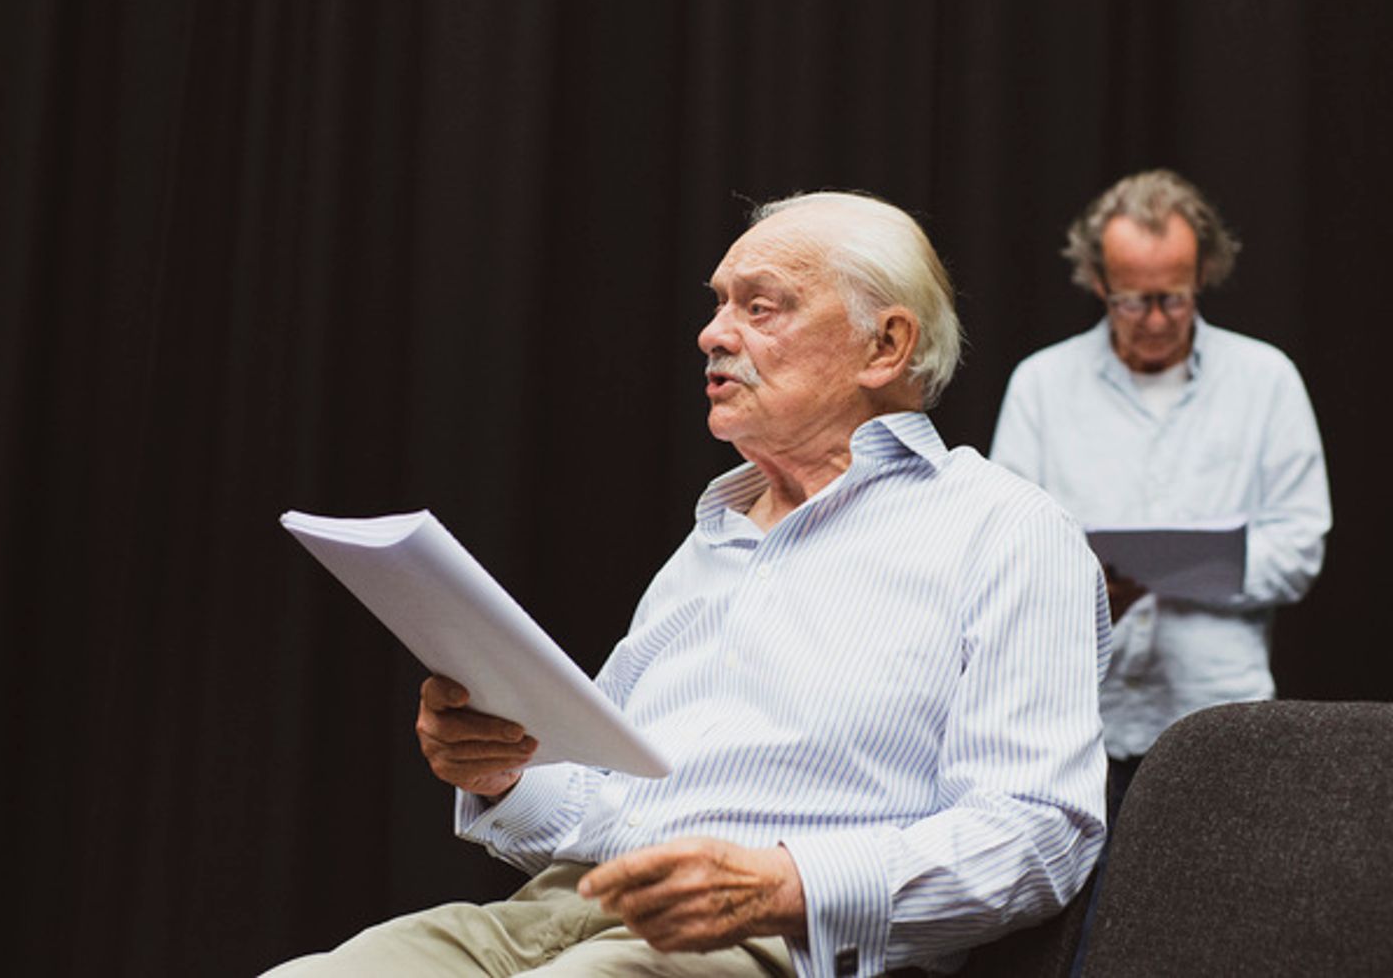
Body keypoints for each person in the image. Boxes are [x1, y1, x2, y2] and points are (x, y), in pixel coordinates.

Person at [265, 191, 1111, 978]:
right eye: (717, 303)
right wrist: (504, 771)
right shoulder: (714, 536)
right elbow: (611, 802)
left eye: (760, 304)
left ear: (883, 346)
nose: (713, 332)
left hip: (778, 943)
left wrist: (785, 884)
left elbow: (1040, 834)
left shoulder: (1005, 529)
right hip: (565, 908)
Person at [990, 168, 1332, 821]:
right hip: (1080, 721)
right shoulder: (1041, 384)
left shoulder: (1266, 380)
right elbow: (1008, 552)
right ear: (1097, 281)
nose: (1153, 319)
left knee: (1225, 914)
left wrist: (1190, 567)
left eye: (1171, 298)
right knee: (1092, 922)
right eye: (1130, 300)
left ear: (1202, 275)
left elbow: (1299, 546)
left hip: (1222, 720)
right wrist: (1092, 586)